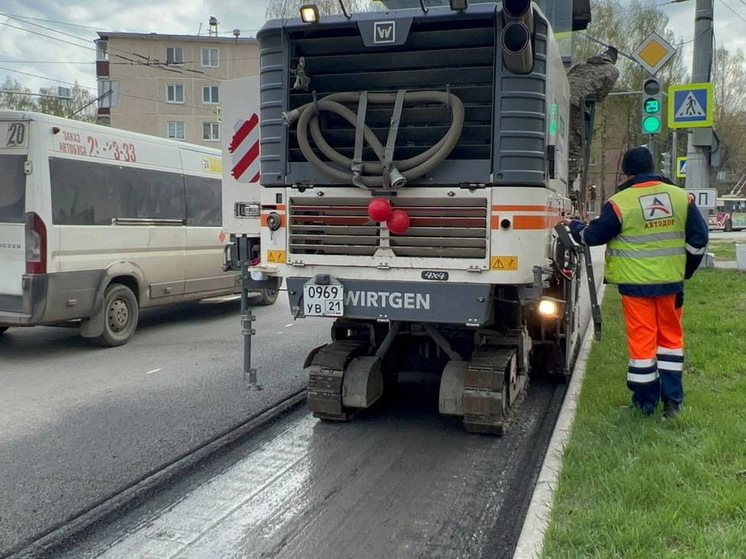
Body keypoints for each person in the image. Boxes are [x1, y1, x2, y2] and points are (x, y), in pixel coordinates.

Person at [565, 147, 709, 418]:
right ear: (653, 167)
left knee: (643, 345)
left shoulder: (622, 202)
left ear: (627, 172)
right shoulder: (681, 198)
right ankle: (673, 404)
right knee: (670, 343)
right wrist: (684, 271)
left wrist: (574, 226)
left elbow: (592, 237)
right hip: (671, 286)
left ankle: (644, 405)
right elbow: (698, 241)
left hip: (636, 289)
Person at [567, 46, 620, 183]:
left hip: (558, 99)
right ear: (613, 59)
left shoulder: (581, 65)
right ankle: (569, 184)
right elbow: (601, 95)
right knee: (576, 145)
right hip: (577, 105)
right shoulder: (612, 70)